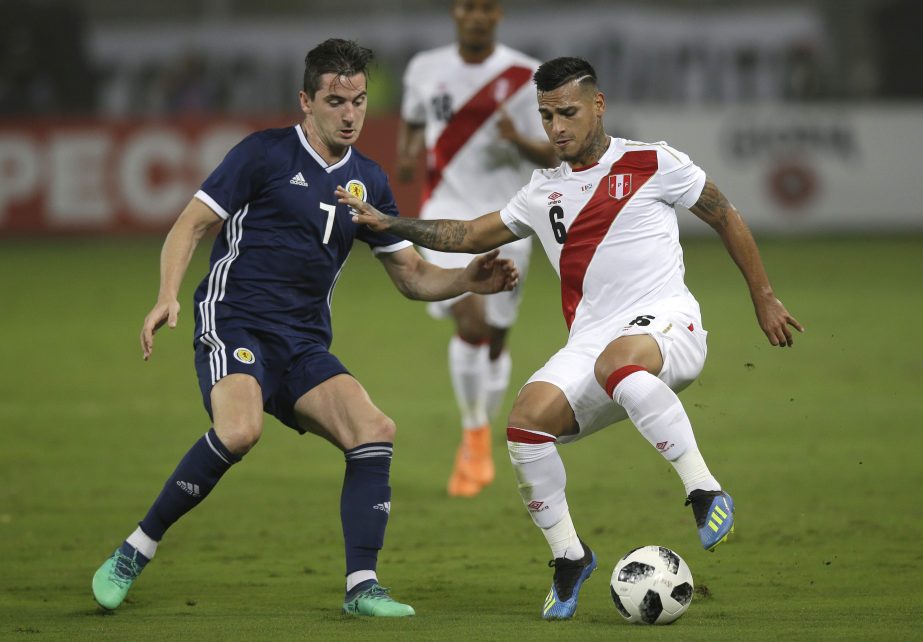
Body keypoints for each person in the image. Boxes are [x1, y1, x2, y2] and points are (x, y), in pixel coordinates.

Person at [340, 56, 803, 620]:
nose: (556, 127)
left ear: (598, 105)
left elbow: (723, 213)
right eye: (546, 115)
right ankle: (570, 556)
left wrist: (764, 296)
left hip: (667, 323)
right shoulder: (542, 191)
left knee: (618, 364)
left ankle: (705, 490)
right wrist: (390, 222)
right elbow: (464, 234)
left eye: (568, 112)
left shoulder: (652, 162)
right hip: (594, 343)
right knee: (525, 424)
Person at [90, 38, 518, 619]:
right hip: (234, 319)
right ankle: (134, 550)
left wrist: (469, 278)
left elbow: (413, 277)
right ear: (306, 102)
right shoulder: (263, 155)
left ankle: (362, 586)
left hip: (302, 342)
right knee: (239, 431)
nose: (350, 114)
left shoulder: (368, 180)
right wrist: (166, 295)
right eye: (336, 100)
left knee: (374, 428)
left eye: (360, 101)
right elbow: (189, 226)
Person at [396, 0, 557, 498]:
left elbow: (555, 150)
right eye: (469, 7)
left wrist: (518, 140)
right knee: (472, 319)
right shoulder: (425, 68)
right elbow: (414, 124)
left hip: (509, 217)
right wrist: (405, 155)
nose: (477, 16)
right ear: (455, 12)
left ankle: (480, 434)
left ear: (498, 15)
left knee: (497, 339)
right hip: (446, 215)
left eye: (486, 8)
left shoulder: (526, 74)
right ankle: (474, 433)